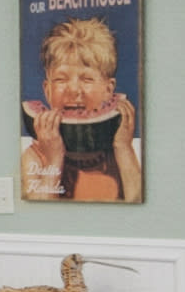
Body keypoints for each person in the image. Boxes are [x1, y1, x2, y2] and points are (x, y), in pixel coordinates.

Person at [21, 15, 141, 203]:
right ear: (47, 90)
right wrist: (53, 159)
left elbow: (137, 200)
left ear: (108, 90)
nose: (74, 90)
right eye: (61, 79)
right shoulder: (35, 157)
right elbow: (38, 211)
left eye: (87, 79)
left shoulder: (120, 153)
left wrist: (123, 148)